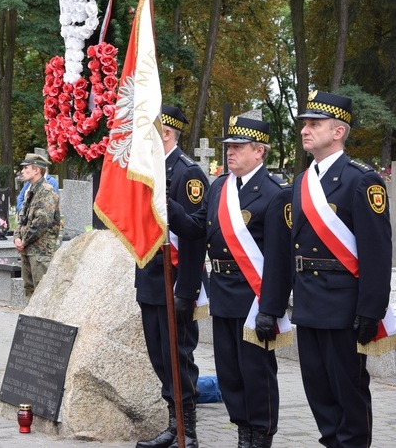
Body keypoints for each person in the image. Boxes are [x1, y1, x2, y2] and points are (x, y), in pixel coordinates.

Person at [168, 116, 292, 448]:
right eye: (228, 148)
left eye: (238, 147)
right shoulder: (220, 186)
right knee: (231, 375)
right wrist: (165, 207)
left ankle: (260, 436)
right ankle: (243, 435)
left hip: (254, 299)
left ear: (259, 151)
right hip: (223, 294)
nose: (230, 153)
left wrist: (271, 308)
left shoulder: (276, 193)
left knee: (257, 375)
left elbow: (281, 259)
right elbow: (196, 227)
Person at [290, 91, 391, 448]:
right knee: (318, 392)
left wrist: (371, 311)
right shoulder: (302, 182)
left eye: (314, 124)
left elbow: (377, 253)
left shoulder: (361, 180)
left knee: (348, 395)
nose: (305, 129)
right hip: (308, 304)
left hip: (343, 308)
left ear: (338, 132)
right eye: (304, 123)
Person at [135, 106, 208, 448]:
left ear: (166, 133)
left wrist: (187, 290)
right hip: (150, 278)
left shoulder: (187, 174)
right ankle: (172, 423)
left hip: (175, 280)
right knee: (159, 357)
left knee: (178, 357)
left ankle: (186, 431)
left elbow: (196, 234)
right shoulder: (148, 170)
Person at [13, 153, 61, 300]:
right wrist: (16, 238)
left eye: (26, 168)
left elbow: (41, 222)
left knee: (42, 295)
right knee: (29, 293)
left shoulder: (46, 191)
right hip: (28, 250)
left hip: (40, 252)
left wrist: (24, 240)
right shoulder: (31, 191)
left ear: (36, 170)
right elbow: (22, 217)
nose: (22, 171)